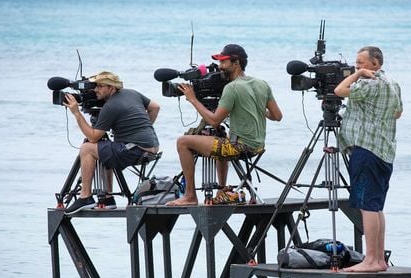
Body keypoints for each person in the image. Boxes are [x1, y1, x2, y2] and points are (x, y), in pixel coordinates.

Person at [168, 44, 283, 206]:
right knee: (219, 138)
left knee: (183, 142)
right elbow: (277, 116)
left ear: (236, 63)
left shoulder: (231, 88)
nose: (220, 67)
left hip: (239, 147)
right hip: (257, 146)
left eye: (223, 62)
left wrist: (192, 98)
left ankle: (190, 196)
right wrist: (253, 107)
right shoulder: (261, 84)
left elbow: (214, 121)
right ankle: (222, 189)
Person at [334, 46, 403, 272]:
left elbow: (339, 91)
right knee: (375, 206)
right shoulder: (392, 83)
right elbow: (397, 113)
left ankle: (371, 260)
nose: (358, 67)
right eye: (356, 63)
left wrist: (356, 76)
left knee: (366, 206)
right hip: (384, 150)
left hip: (366, 150)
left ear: (375, 63)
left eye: (361, 63)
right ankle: (379, 259)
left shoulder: (367, 83)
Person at [63, 71, 160, 215]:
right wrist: (141, 127)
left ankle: (85, 196)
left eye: (100, 87)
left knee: (87, 149)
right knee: (104, 149)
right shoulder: (132, 93)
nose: (96, 90)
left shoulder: (111, 106)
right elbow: (155, 107)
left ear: (112, 88)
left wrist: (76, 113)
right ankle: (108, 199)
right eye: (95, 86)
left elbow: (93, 137)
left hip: (135, 150)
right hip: (152, 147)